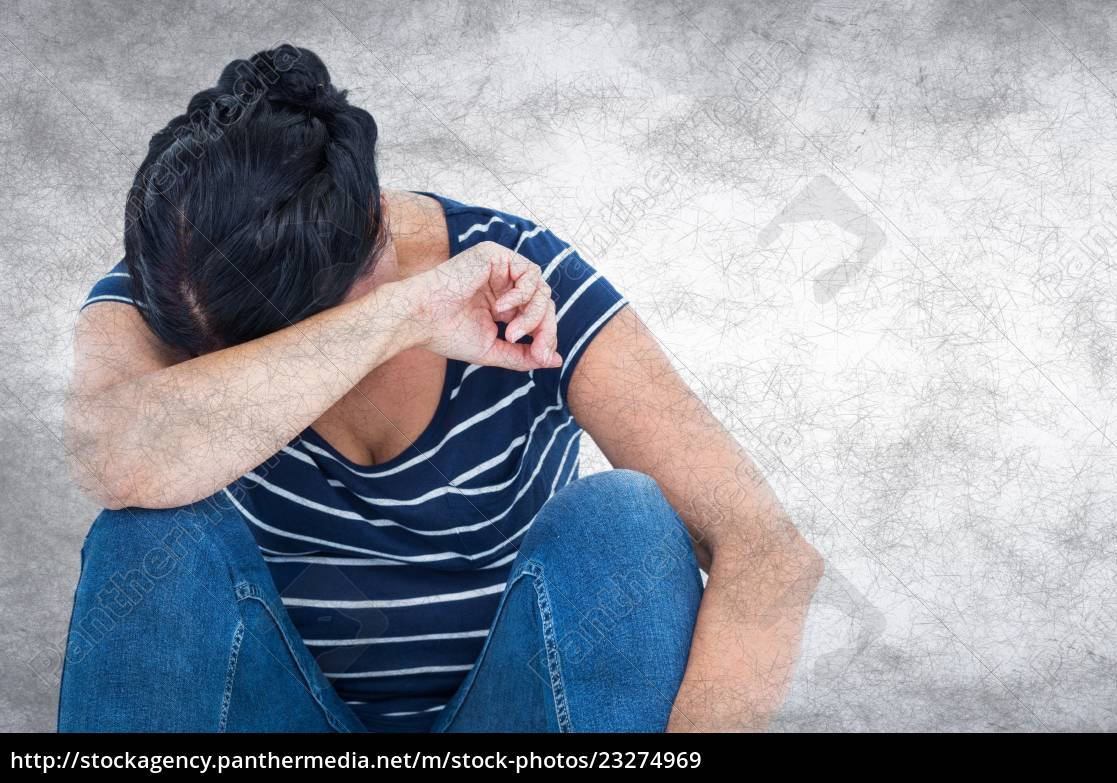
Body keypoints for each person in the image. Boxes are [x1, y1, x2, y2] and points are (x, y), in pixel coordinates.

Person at [57, 44, 822, 732]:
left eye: (271, 342)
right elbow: (115, 457)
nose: (238, 370)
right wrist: (406, 315)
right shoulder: (183, 285)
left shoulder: (523, 281)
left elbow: (768, 550)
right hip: (277, 713)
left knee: (625, 519)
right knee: (144, 533)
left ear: (375, 234)